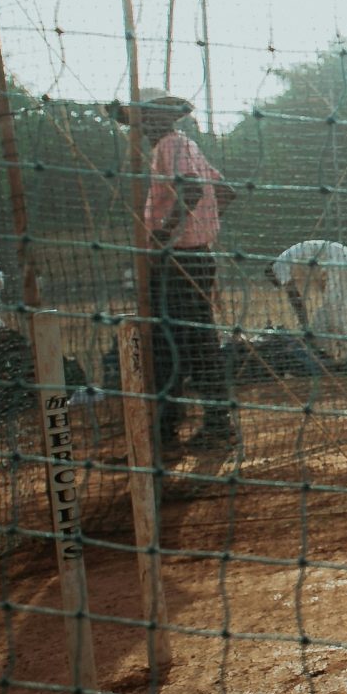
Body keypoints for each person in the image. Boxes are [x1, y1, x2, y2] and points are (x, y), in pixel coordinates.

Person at [113, 93, 238, 453]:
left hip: (179, 261)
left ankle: (200, 427)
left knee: (177, 346)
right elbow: (224, 192)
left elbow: (195, 189)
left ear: (156, 118)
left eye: (140, 119)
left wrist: (167, 234)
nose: (137, 128)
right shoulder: (180, 145)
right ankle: (177, 426)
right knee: (186, 344)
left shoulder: (171, 145)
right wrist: (201, 229)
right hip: (191, 257)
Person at [270, 239, 347, 342]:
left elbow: (294, 297)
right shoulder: (293, 257)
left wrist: (304, 324)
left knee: (334, 313)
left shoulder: (278, 266)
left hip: (342, 264)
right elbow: (322, 282)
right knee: (333, 313)